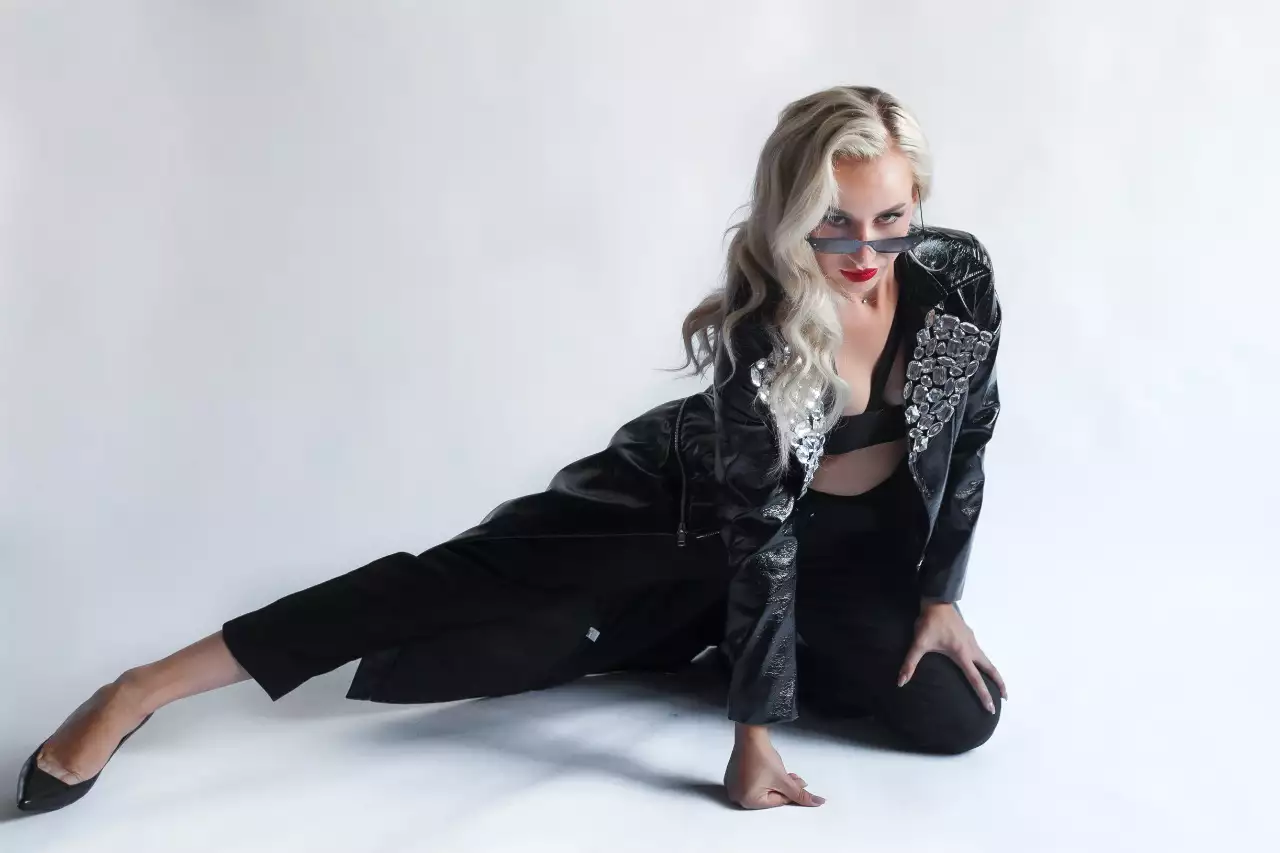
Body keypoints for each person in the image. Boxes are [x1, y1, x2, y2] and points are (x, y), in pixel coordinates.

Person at [16, 84, 1007, 815]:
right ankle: (139, 688)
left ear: (918, 202)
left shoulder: (954, 280)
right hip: (679, 503)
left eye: (890, 219)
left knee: (954, 720)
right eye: (833, 224)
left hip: (826, 549)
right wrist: (753, 738)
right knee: (455, 588)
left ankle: (698, 628)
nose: (864, 253)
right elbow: (758, 536)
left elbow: (965, 436)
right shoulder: (766, 328)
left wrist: (938, 597)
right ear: (792, 213)